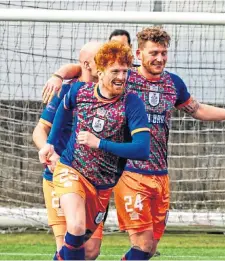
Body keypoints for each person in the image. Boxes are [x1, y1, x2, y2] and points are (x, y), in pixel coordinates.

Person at [38, 41, 151, 260]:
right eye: (115, 71)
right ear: (99, 72)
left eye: (125, 71)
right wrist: (50, 143)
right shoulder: (79, 91)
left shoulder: (132, 103)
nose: (121, 77)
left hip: (101, 184)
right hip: (71, 170)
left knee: (86, 248)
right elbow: (64, 108)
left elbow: (142, 149)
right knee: (76, 227)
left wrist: (99, 143)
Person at [32, 41, 103, 260]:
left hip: (94, 180)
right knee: (67, 243)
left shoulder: (109, 91)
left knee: (90, 251)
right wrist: (47, 149)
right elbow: (40, 130)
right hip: (60, 176)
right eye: (101, 60)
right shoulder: (66, 91)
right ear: (86, 64)